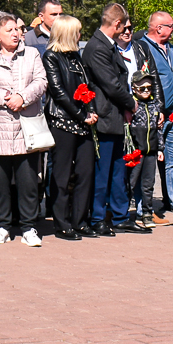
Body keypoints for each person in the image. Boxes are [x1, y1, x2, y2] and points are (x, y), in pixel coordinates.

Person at [0, 12, 48, 247]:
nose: (16, 33)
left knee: (28, 181)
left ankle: (29, 227)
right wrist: (7, 98)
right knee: (0, 182)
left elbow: (41, 81)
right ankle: (2, 226)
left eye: (17, 29)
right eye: (9, 30)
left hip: (27, 126)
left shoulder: (32, 54)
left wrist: (23, 97)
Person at [82, 3, 149, 236]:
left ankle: (120, 216)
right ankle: (98, 217)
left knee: (118, 169)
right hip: (105, 116)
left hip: (116, 115)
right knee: (103, 171)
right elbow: (111, 84)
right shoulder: (97, 48)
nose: (125, 31)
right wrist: (131, 103)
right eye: (124, 26)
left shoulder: (107, 46)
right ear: (117, 24)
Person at [43, 16, 99, 240]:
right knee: (62, 175)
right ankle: (62, 223)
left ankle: (80, 221)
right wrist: (81, 115)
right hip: (62, 122)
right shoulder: (51, 57)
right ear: (67, 33)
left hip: (83, 120)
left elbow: (87, 85)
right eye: (77, 31)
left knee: (85, 172)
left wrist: (91, 109)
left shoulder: (76, 56)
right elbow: (58, 92)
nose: (80, 35)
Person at [141, 11, 173, 216]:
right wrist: (155, 107)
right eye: (170, 26)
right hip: (153, 113)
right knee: (150, 160)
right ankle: (146, 205)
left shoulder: (172, 49)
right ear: (158, 28)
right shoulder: (142, 48)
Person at [126, 70, 163, 228]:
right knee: (130, 183)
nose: (147, 91)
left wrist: (160, 148)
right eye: (142, 88)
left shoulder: (154, 105)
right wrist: (130, 148)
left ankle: (147, 213)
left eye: (149, 87)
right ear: (134, 88)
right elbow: (127, 130)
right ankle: (122, 212)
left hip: (151, 151)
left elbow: (158, 129)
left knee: (148, 184)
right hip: (136, 151)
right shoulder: (133, 105)